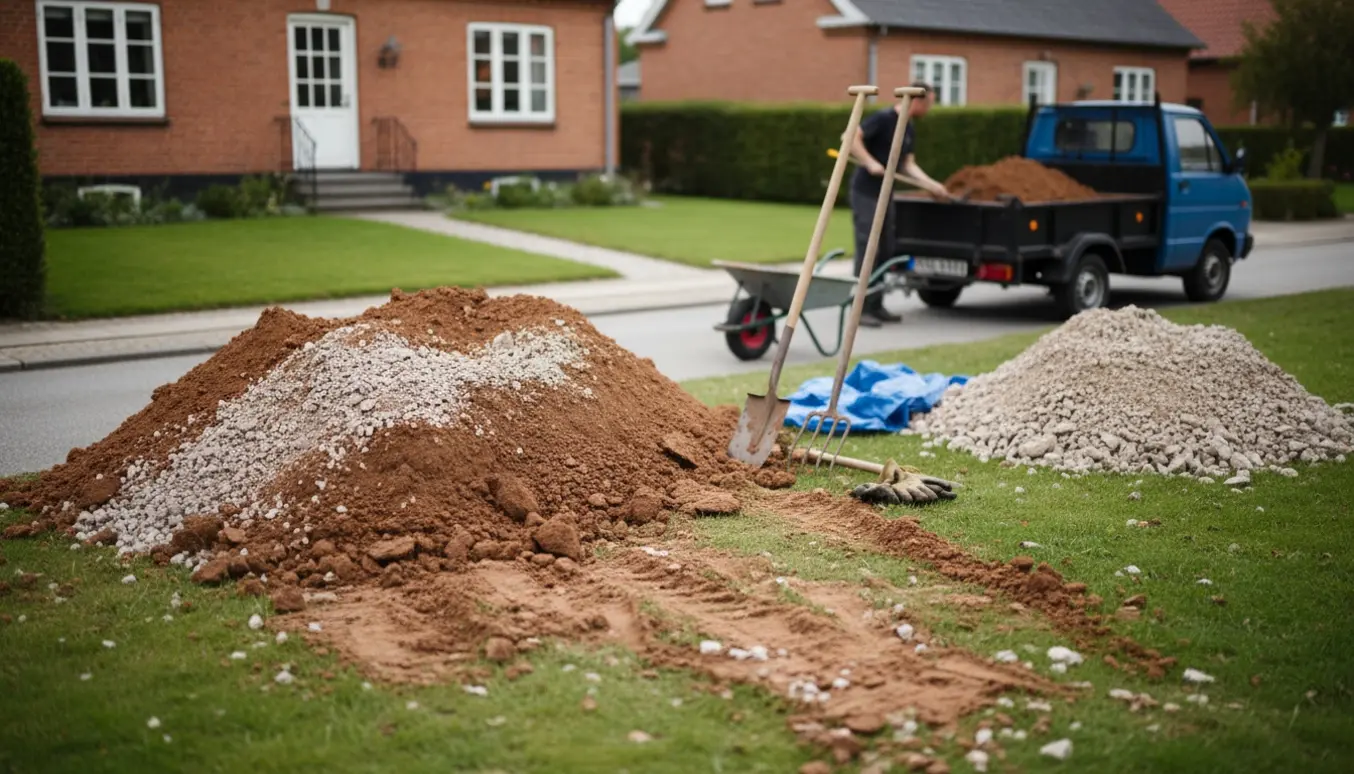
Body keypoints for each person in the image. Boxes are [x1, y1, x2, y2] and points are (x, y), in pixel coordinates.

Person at [847, 82, 950, 326]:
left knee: (886, 248)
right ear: (917, 101)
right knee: (869, 249)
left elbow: (908, 164)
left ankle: (876, 304)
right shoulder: (884, 119)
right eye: (929, 103)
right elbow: (851, 137)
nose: (930, 108)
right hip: (866, 192)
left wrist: (932, 185)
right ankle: (860, 310)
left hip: (886, 193)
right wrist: (870, 163)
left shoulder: (908, 127)